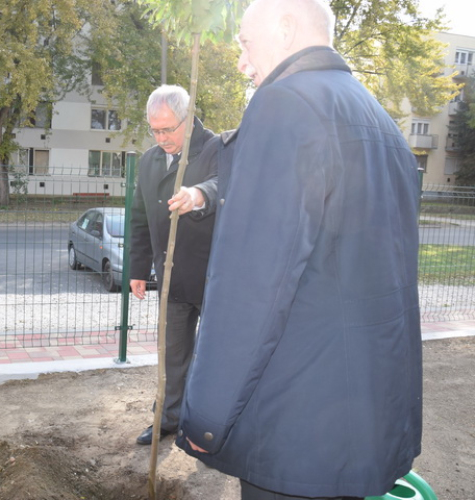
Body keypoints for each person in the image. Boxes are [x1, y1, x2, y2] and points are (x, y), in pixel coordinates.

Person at [176, 0, 422, 499]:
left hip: (296, 423)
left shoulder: (284, 104)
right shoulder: (383, 123)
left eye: (245, 44)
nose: (242, 63)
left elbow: (251, 285)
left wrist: (204, 417)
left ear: (286, 29)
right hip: (363, 422)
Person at [129, 84, 217, 445]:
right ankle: (167, 420)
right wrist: (137, 269)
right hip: (172, 278)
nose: (161, 137)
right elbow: (138, 217)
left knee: (214, 360)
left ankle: (208, 432)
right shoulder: (149, 161)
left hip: (217, 278)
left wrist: (200, 195)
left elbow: (228, 184)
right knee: (172, 357)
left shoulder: (216, 149)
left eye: (168, 129)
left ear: (188, 119)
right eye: (155, 129)